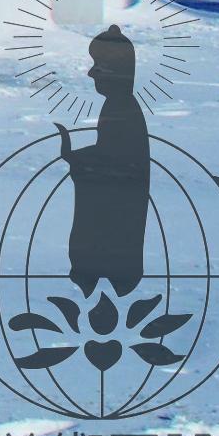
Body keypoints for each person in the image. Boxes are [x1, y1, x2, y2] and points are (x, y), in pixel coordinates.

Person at [57, 25, 151, 296]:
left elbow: (120, 161)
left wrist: (80, 161)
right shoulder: (118, 106)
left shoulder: (123, 108)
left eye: (98, 66)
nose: (91, 73)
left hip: (120, 208)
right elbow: (111, 151)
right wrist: (81, 158)